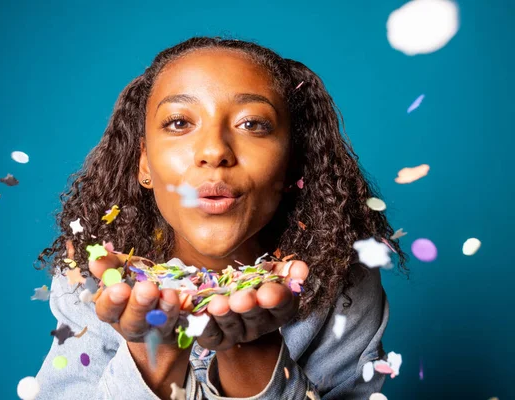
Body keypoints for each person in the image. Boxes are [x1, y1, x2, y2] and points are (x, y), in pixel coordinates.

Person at [34, 36, 407, 400]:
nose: (214, 151)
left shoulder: (341, 281)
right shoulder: (92, 281)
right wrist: (155, 358)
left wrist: (257, 358)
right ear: (143, 162)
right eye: (179, 123)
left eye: (252, 124)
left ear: (292, 162)